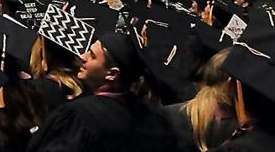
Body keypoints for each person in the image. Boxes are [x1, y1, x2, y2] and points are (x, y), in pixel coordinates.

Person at [26, 33, 177, 152]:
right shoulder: (154, 117)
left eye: (92, 56)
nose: (82, 57)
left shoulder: (79, 116)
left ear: (112, 74)